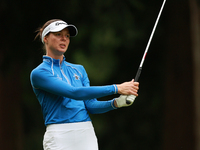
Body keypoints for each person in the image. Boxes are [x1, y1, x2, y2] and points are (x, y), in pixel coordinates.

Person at [30, 19, 139, 150]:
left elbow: (91, 105)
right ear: (46, 38)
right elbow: (74, 92)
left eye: (67, 36)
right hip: (59, 135)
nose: (64, 39)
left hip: (86, 133)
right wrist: (117, 88)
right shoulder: (39, 73)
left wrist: (116, 103)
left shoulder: (79, 70)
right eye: (58, 34)